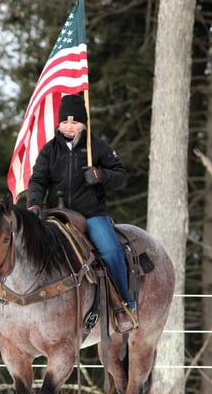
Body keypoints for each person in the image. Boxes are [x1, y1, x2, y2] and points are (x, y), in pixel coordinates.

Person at [26, 93, 136, 332]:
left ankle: (123, 305)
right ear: (59, 123)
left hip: (91, 214)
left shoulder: (97, 146)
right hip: (55, 214)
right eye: (65, 122)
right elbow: (37, 180)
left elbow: (122, 177)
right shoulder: (49, 150)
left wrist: (101, 175)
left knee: (110, 250)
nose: (69, 126)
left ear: (84, 124)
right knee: (26, 246)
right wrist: (34, 203)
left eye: (74, 122)